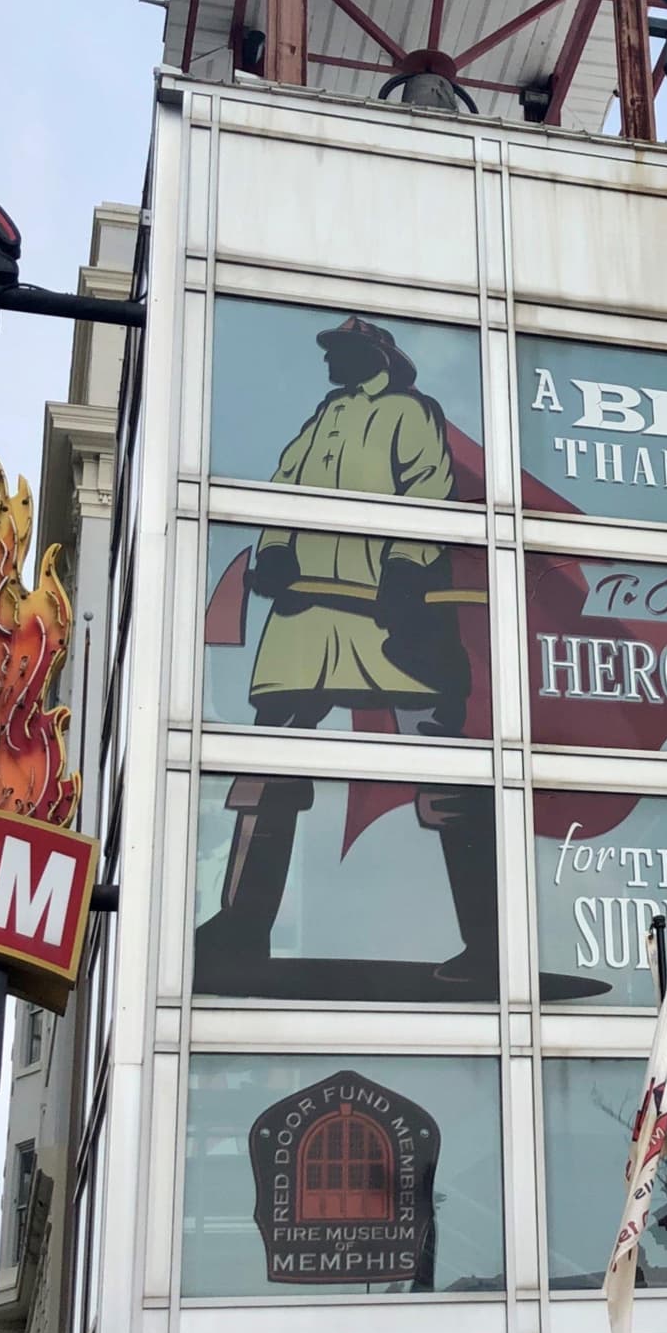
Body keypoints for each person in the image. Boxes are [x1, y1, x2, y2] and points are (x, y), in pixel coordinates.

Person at [198, 316, 492, 987]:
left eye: (340, 350)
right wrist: (273, 552)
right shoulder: (322, 417)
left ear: (371, 355)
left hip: (388, 616)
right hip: (307, 616)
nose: (329, 359)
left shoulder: (407, 413)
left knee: (447, 769)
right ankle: (240, 927)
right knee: (266, 766)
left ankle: (490, 940)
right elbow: (283, 487)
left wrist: (408, 568)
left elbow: (427, 492)